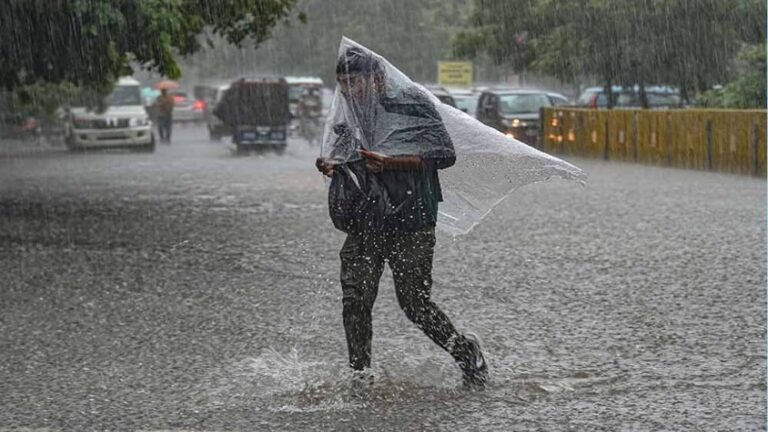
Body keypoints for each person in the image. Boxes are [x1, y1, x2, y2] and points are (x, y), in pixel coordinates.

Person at [315, 47, 489, 387]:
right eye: (341, 84)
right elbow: (349, 158)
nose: (348, 91)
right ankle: (360, 376)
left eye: (354, 82)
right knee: (355, 300)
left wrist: (392, 162)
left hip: (412, 219)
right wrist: (333, 167)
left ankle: (466, 353)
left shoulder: (412, 104)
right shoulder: (349, 115)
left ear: (377, 79)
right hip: (366, 219)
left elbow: (445, 155)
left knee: (413, 303)